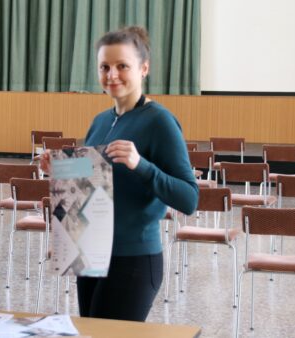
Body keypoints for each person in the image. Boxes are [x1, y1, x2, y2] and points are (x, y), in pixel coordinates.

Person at [41, 26, 198, 321]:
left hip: (134, 260)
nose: (112, 75)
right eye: (104, 67)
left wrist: (141, 164)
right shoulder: (100, 121)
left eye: (122, 66)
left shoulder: (160, 121)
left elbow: (189, 199)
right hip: (91, 254)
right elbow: (90, 189)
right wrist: (62, 171)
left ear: (144, 68)